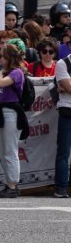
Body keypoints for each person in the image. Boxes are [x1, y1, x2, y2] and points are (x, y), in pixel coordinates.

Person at [0, 44, 29, 198]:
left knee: (10, 150)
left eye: (3, 57)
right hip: (1, 112)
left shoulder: (17, 72)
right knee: (0, 149)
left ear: (9, 58)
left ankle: (12, 185)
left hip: (11, 113)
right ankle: (9, 182)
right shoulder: (7, 72)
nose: (0, 59)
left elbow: (1, 83)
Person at [53, 47, 71, 198]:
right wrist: (65, 87)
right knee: (63, 152)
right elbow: (69, 87)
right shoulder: (62, 63)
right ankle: (61, 188)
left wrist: (66, 87)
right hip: (67, 111)